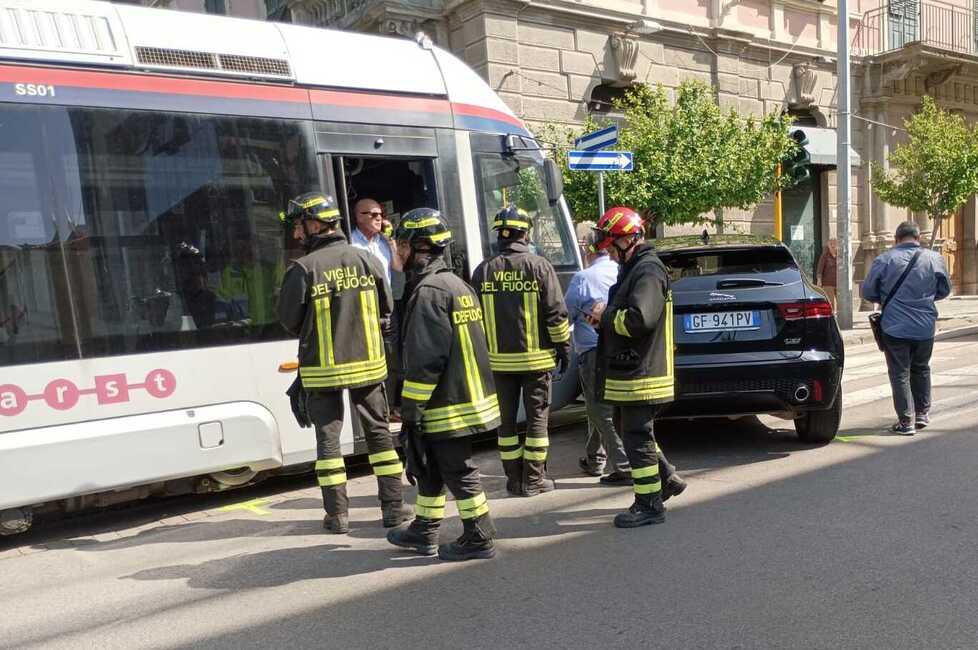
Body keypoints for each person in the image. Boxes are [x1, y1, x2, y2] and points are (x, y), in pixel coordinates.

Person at [277, 191, 410, 533]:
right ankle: (394, 510)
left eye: (299, 227)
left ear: (316, 224)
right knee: (380, 437)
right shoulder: (368, 261)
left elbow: (290, 321)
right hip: (369, 365)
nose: (296, 235)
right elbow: (387, 308)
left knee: (328, 442)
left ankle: (337, 516)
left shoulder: (303, 269)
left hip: (322, 370)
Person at [386, 208, 499, 561]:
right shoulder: (456, 284)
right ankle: (424, 529)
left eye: (401, 244)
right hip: (463, 397)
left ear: (420, 247)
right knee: (430, 466)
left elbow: (425, 360)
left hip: (446, 403)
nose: (396, 252)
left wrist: (410, 411)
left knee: (457, 470)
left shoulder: (429, 292)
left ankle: (479, 536)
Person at [591, 206, 685, 528]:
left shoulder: (648, 271)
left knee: (636, 435)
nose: (611, 255)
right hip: (633, 370)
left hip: (643, 374)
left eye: (612, 247)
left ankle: (649, 504)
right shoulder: (634, 268)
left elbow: (639, 320)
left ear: (629, 238)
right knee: (628, 427)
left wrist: (604, 317)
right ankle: (667, 478)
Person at [470, 206, 571, 497]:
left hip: (497, 365)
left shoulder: (483, 270)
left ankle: (514, 480)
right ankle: (534, 480)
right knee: (537, 421)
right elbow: (556, 315)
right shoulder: (539, 266)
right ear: (525, 233)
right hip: (536, 362)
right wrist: (563, 349)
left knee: (506, 424)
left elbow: (474, 318)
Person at [861, 221, 951, 435]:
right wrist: (924, 299)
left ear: (896, 239)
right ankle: (922, 413)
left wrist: (886, 300)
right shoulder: (934, 258)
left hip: (895, 327)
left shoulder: (884, 259)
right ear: (918, 238)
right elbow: (944, 289)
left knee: (900, 373)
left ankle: (906, 421)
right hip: (925, 327)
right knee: (921, 368)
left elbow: (868, 292)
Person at [564, 231, 632, 484]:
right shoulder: (621, 271)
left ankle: (624, 466)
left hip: (592, 351)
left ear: (589, 250)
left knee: (598, 409)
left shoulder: (583, 278)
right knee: (603, 406)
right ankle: (595, 458)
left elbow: (566, 315)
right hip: (620, 350)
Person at [350, 198, 405, 420]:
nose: (378, 218)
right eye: (371, 214)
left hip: (389, 310)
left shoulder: (385, 242)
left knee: (392, 359)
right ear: (357, 217)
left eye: (380, 214)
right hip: (364, 310)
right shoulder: (351, 243)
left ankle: (390, 406)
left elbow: (398, 271)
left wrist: (392, 243)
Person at [816, 238, 839, 312]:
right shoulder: (825, 256)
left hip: (839, 283)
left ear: (837, 245)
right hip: (828, 283)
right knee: (830, 303)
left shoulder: (840, 256)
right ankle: (832, 318)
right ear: (828, 245)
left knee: (841, 303)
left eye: (834, 244)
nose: (832, 246)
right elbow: (820, 268)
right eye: (831, 244)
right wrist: (819, 280)